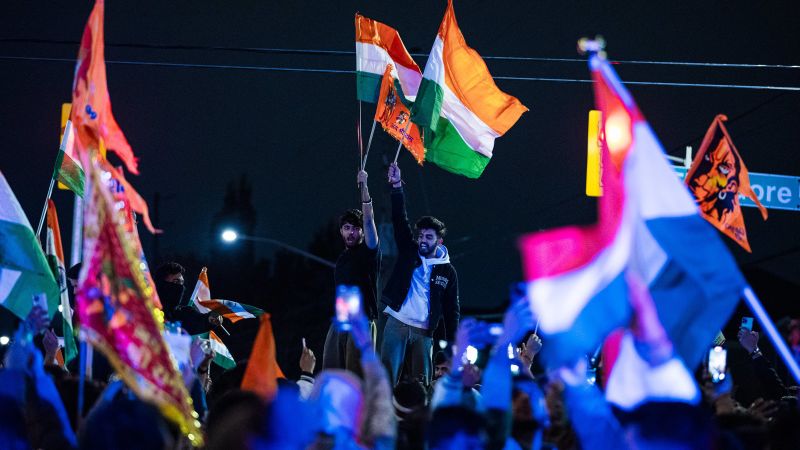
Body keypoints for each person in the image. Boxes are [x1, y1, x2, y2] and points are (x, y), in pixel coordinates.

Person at [380, 162, 459, 387]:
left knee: (422, 382)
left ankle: (417, 420)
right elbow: (399, 220)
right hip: (397, 322)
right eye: (421, 235)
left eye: (429, 237)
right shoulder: (409, 250)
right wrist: (396, 185)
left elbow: (452, 310)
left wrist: (453, 346)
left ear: (439, 241)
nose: (423, 240)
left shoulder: (447, 271)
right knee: (387, 378)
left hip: (424, 331)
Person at [322, 169, 381, 376]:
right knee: (332, 372)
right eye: (347, 228)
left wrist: (364, 186)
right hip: (342, 320)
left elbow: (368, 219)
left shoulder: (369, 251)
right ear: (341, 231)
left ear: (362, 232)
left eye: (355, 228)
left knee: (355, 377)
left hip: (361, 321)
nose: (351, 232)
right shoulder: (342, 259)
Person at [153, 262, 222, 335]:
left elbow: (199, 321)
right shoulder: (147, 307)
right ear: (161, 284)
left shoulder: (183, 314)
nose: (180, 287)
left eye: (181, 283)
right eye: (176, 281)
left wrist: (210, 318)